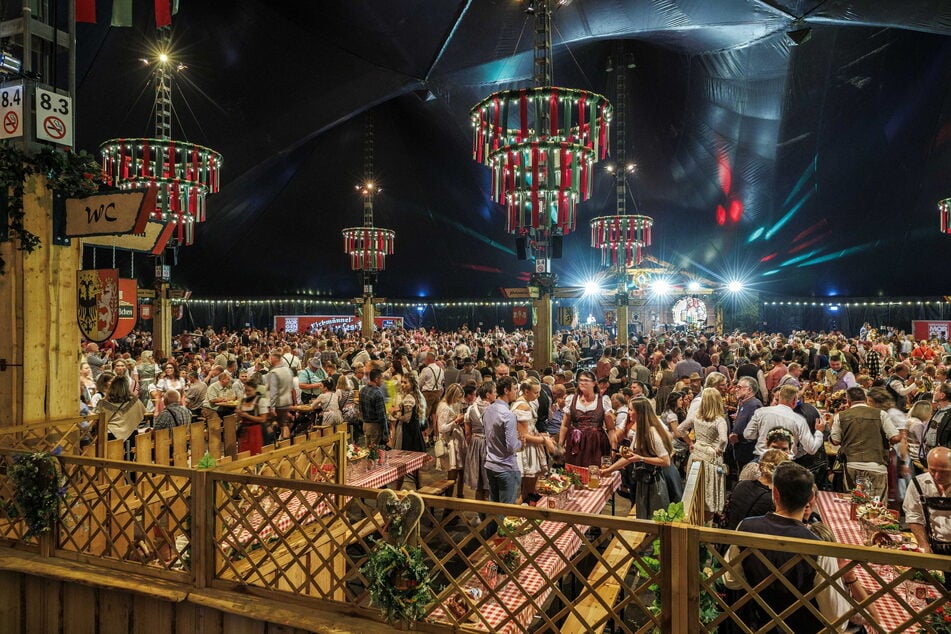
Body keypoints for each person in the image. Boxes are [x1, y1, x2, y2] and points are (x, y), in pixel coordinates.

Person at [724, 461, 825, 632]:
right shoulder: (818, 546)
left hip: (752, 624)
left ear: (775, 494)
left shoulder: (746, 527)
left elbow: (731, 581)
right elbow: (835, 615)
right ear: (811, 499)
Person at [601, 396, 674, 519]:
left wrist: (641, 459)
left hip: (654, 480)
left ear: (640, 412)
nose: (628, 413)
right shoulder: (641, 430)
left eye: (630, 410)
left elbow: (666, 461)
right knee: (644, 515)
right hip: (644, 479)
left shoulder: (652, 432)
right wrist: (609, 470)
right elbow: (630, 457)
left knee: (654, 517)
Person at [830, 386, 901, 500]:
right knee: (877, 507)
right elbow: (895, 438)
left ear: (848, 401)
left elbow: (835, 441)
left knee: (854, 505)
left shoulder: (841, 416)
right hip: (877, 466)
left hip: (851, 465)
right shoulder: (881, 414)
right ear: (866, 399)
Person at [680, 387, 729, 518]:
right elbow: (724, 439)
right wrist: (719, 449)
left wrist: (690, 442)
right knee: (709, 489)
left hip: (696, 454)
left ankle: (694, 515)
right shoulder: (719, 420)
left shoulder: (696, 417)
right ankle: (708, 520)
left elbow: (680, 429)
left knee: (695, 488)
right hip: (711, 458)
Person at [744, 385, 827, 458]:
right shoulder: (799, 420)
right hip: (783, 463)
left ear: (779, 397)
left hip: (762, 458)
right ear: (795, 400)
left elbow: (748, 435)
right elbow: (811, 449)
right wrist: (819, 432)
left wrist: (763, 434)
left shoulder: (760, 412)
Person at [559, 369, 614, 468]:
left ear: (594, 383)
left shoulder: (603, 400)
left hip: (596, 442)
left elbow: (611, 429)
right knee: (574, 471)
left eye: (586, 380)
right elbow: (565, 425)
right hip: (575, 440)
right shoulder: (571, 399)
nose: (582, 383)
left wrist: (613, 449)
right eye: (580, 380)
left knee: (594, 470)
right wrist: (560, 444)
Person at [722, 448, 788, 530]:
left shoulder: (741, 484)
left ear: (760, 466)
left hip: (726, 538)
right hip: (753, 541)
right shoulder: (775, 500)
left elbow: (725, 516)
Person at [511, 377, 554, 500]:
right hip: (525, 449)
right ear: (526, 392)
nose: (538, 395)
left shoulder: (525, 403)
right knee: (525, 491)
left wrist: (542, 436)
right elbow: (524, 435)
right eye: (536, 392)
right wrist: (545, 441)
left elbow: (530, 429)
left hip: (530, 447)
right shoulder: (522, 406)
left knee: (529, 490)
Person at [904, 446, 951, 556]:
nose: (937, 477)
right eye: (933, 471)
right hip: (934, 546)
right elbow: (914, 515)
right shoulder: (919, 483)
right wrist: (923, 544)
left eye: (944, 472)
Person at [483, 376, 522, 505]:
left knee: (493, 509)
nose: (516, 392)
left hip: (490, 464)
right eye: (515, 389)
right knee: (505, 512)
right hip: (506, 467)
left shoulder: (488, 409)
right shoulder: (508, 415)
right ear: (506, 390)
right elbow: (511, 446)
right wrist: (521, 443)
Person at [96, 374, 146, 460]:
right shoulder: (135, 402)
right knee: (130, 463)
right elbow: (142, 413)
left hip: (110, 435)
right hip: (131, 434)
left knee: (112, 466)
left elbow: (97, 420)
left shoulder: (102, 403)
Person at [464, 381, 495, 503]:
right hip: (490, 444)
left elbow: (467, 433)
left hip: (476, 442)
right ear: (488, 395)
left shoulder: (471, 408)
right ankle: (489, 513)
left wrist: (470, 447)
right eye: (494, 392)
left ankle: (478, 514)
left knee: (478, 480)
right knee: (488, 479)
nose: (496, 394)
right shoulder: (494, 409)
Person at [436, 384, 468, 498]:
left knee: (460, 471)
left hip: (455, 440)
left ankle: (459, 495)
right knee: (453, 472)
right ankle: (449, 502)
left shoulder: (447, 405)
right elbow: (442, 428)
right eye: (458, 397)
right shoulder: (444, 407)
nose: (458, 400)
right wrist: (456, 421)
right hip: (450, 442)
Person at [267, 349, 295, 440]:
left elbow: (273, 391)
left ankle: (285, 447)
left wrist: (272, 406)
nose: (270, 360)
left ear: (275, 359)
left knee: (283, 425)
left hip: (279, 402)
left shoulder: (274, 372)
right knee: (283, 424)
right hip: (288, 400)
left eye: (271, 358)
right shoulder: (288, 370)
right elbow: (291, 387)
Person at [359, 367, 389, 448]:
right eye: (381, 379)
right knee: (374, 452)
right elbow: (382, 416)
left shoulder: (362, 390)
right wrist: (385, 433)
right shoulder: (377, 393)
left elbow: (360, 409)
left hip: (365, 425)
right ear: (376, 379)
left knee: (367, 449)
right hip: (374, 426)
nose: (382, 381)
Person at [237, 382, 269, 454]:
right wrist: (238, 414)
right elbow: (238, 419)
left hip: (256, 431)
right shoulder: (242, 401)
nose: (247, 393)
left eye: (249, 390)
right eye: (246, 390)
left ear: (255, 390)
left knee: (256, 452)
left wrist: (247, 416)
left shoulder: (260, 401)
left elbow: (263, 419)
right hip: (244, 431)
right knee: (244, 453)